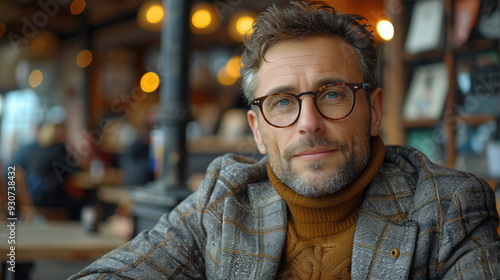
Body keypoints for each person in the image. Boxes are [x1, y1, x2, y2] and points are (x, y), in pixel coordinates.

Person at [70, 2, 500, 279]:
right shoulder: (225, 200)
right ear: (257, 129)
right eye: (281, 102)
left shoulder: (449, 209)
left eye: (333, 94)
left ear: (375, 111)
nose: (308, 123)